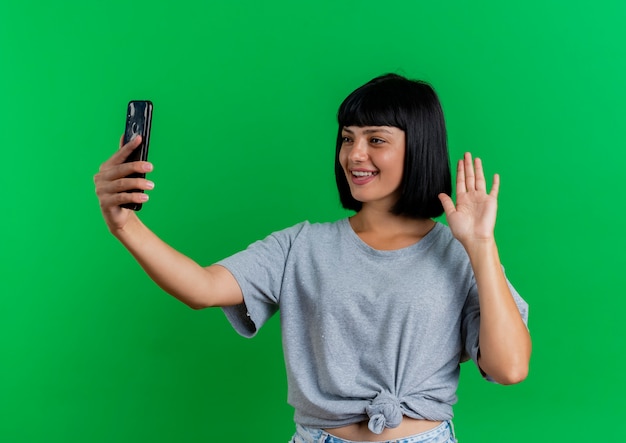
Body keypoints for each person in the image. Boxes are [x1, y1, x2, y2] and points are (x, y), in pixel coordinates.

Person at [94, 73, 531, 443]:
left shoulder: (459, 255)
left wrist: (480, 246)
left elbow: (509, 368)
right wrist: (125, 226)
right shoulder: (302, 245)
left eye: (375, 139)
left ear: (418, 147)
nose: (354, 155)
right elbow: (202, 287)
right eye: (347, 139)